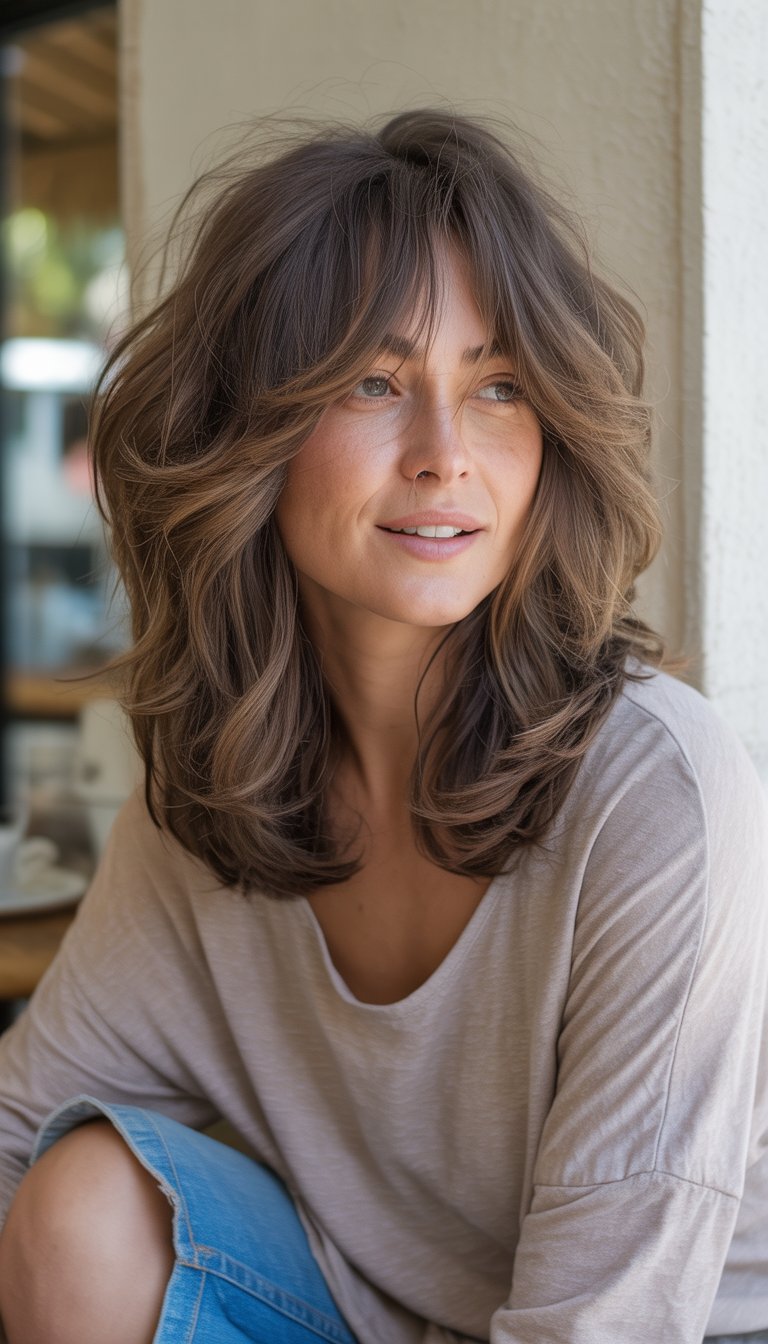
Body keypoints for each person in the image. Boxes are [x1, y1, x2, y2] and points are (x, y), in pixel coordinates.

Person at [0, 108, 765, 1344]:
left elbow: (605, 1328)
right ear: (244, 431)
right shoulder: (214, 793)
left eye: (500, 386)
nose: (446, 454)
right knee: (81, 1208)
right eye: (374, 382)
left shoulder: (658, 790)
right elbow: (13, 1136)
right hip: (352, 1314)